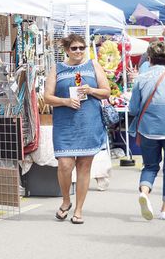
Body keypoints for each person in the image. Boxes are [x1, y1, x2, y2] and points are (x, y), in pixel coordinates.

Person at [44, 34, 111, 225]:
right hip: (65, 124)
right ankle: (66, 200)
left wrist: (91, 90)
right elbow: (47, 97)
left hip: (89, 123)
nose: (79, 51)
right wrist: (65, 101)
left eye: (82, 47)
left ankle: (79, 209)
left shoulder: (93, 65)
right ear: (66, 50)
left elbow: (106, 91)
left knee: (84, 166)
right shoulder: (57, 68)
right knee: (65, 164)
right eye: (74, 48)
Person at [129, 41, 165, 221]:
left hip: (147, 128)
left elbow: (133, 109)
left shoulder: (141, 78)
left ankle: (145, 192)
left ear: (150, 58)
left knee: (150, 165)